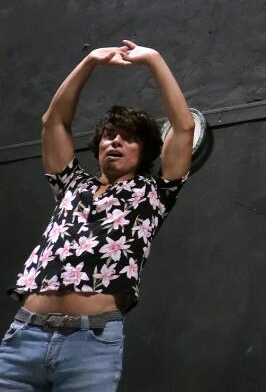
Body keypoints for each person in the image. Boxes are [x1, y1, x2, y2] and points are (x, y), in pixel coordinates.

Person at [0, 40, 195, 391]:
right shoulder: (72, 185)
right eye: (109, 135)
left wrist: (153, 60)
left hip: (90, 344)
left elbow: (183, 129)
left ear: (146, 149)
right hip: (25, 336)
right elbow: (54, 120)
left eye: (128, 138)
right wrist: (90, 60)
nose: (115, 141)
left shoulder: (153, 193)